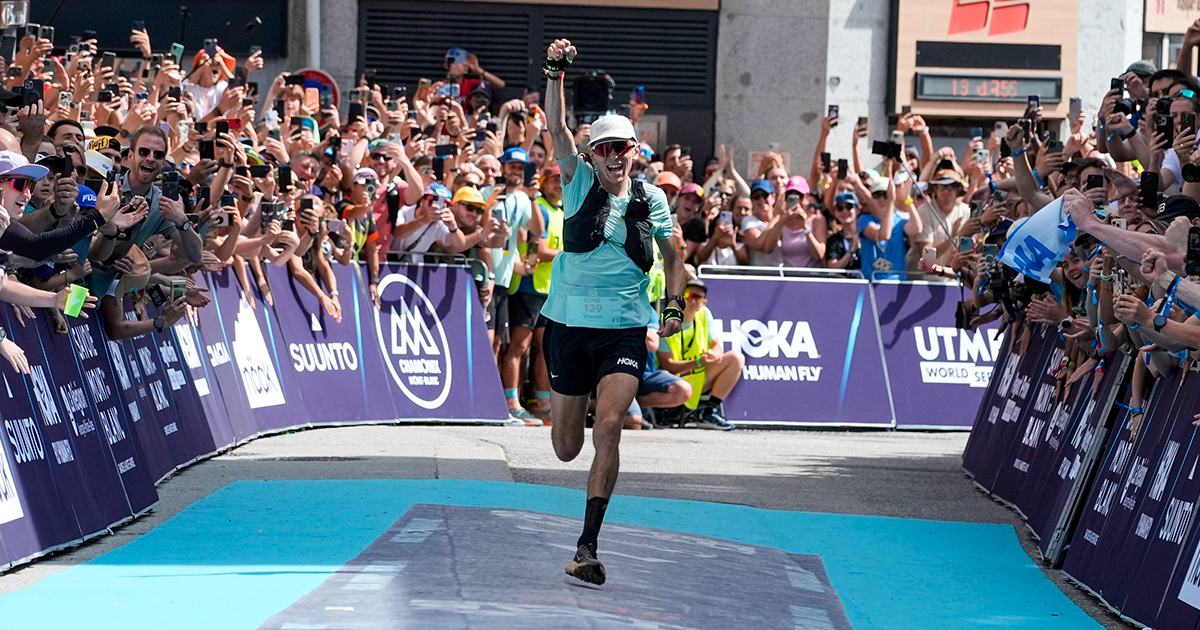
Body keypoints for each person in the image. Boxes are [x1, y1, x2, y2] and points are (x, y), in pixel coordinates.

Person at [541, 38, 685, 585]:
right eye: (604, 149)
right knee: (565, 446)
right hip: (568, 325)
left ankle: (587, 547)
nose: (615, 156)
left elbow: (675, 260)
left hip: (624, 328)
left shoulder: (651, 200)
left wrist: (670, 309)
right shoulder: (576, 180)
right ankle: (565, 409)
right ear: (591, 156)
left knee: (609, 429)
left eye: (624, 147)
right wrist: (555, 72)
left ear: (634, 151)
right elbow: (556, 130)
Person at [655, 279, 740, 430]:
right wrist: (699, 362)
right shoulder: (665, 320)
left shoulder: (704, 314)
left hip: (697, 377)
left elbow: (717, 345)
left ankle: (708, 412)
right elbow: (667, 365)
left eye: (698, 298)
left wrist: (714, 355)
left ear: (704, 303)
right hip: (671, 381)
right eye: (688, 295)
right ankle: (672, 411)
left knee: (735, 358)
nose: (693, 301)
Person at [741, 179, 785, 266]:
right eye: (756, 196)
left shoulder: (784, 219)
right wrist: (776, 217)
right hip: (757, 274)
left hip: (781, 273)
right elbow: (759, 243)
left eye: (765, 195)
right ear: (752, 200)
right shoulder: (748, 220)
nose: (761, 200)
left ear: (773, 197)